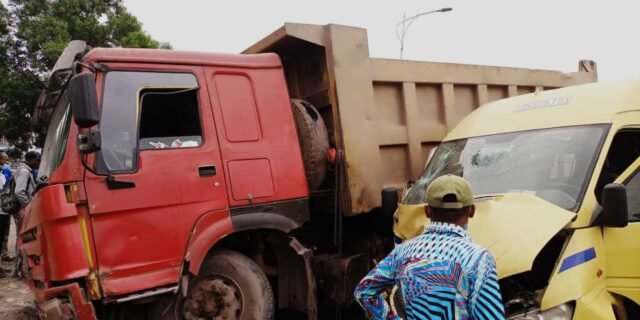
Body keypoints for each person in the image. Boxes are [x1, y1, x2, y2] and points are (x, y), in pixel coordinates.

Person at [354, 175, 504, 320]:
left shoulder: (403, 252)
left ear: (427, 211)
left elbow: (364, 292)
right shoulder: (478, 259)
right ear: (471, 211)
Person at [0, 152, 10, 278]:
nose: (7, 163)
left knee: (1, 238)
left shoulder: (2, 175)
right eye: (5, 160)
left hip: (3, 211)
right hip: (0, 211)